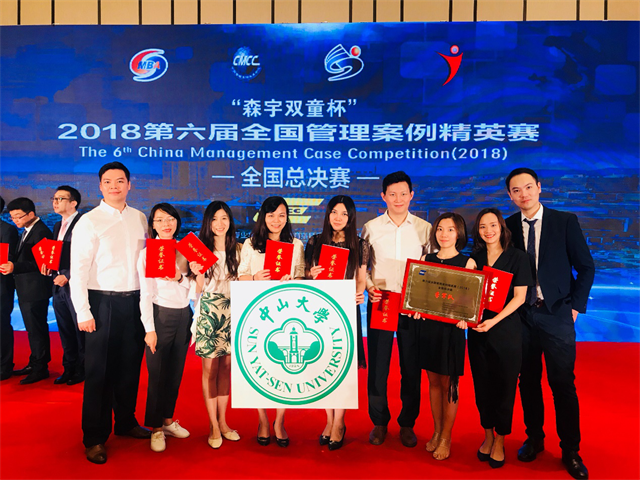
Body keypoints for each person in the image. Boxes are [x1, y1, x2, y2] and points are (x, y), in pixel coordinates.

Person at [505, 168, 594, 480]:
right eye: (517, 190)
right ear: (510, 195)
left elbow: (585, 266)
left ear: (539, 188)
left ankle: (571, 450)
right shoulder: (508, 226)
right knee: (527, 381)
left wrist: (575, 307)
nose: (524, 194)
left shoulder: (564, 221)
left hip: (556, 314)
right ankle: (534, 439)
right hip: (522, 316)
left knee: (562, 383)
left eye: (529, 187)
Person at [70, 161, 150, 464]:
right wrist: (83, 311)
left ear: (129, 184)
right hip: (102, 303)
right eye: (108, 181)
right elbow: (78, 270)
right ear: (100, 186)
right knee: (99, 373)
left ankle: (126, 422)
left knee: (130, 368)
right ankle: (94, 437)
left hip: (135, 302)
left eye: (120, 181)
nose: (114, 186)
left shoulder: (140, 217)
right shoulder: (89, 221)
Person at [362, 171, 431, 447]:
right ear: (383, 196)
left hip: (412, 306)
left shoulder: (425, 229)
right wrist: (368, 287)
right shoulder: (370, 227)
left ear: (412, 195)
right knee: (378, 365)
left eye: (403, 194)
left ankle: (407, 423)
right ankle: (379, 422)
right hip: (382, 302)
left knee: (411, 365)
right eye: (392, 194)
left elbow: (431, 266)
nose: (398, 199)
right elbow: (363, 266)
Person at [466, 207, 532, 469]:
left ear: (502, 227)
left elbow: (520, 297)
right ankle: (488, 435)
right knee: (482, 386)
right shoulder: (475, 258)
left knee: (505, 387)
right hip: (477, 332)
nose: (488, 231)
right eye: (483, 226)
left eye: (493, 225)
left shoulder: (518, 257)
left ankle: (501, 439)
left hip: (506, 331)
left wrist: (494, 321)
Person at [238, 196, 305, 447]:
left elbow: (301, 276)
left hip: (286, 314)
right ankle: (263, 420)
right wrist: (255, 277)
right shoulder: (250, 244)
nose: (276, 220)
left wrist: (292, 280)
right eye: (271, 215)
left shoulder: (296, 244)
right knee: (260, 368)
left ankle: (279, 421)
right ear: (262, 217)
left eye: (281, 215)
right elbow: (240, 276)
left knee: (283, 370)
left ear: (287, 218)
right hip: (257, 314)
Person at [304, 195, 370, 451]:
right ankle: (329, 420)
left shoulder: (361, 245)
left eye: (344, 213)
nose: (338, 217)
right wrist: (311, 274)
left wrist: (360, 292)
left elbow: (361, 278)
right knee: (322, 365)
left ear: (351, 217)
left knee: (342, 367)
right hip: (320, 312)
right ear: (328, 214)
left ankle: (340, 422)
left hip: (345, 310)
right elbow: (306, 274)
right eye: (334, 212)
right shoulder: (315, 242)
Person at [413, 212, 476, 460]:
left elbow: (471, 301)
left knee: (450, 384)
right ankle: (437, 431)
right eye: (440, 229)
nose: (444, 234)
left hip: (452, 331)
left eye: (450, 229)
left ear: (459, 233)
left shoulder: (467, 263)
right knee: (433, 382)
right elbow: (418, 294)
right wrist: (416, 308)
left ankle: (447, 437)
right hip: (429, 328)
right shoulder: (425, 259)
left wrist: (467, 317)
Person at [137, 203, 194, 453]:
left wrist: (180, 277)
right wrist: (149, 329)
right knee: (157, 375)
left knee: (175, 373)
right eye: (159, 220)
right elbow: (145, 293)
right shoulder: (147, 253)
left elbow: (197, 286)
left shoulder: (187, 249)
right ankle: (156, 428)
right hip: (160, 316)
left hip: (184, 316)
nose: (166, 224)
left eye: (170, 219)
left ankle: (168, 421)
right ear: (153, 224)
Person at [192, 201, 242, 449]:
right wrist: (198, 273)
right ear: (208, 223)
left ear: (230, 221)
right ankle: (212, 424)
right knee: (210, 370)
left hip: (235, 310)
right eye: (214, 219)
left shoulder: (240, 249)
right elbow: (196, 291)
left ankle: (223, 422)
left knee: (226, 369)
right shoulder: (199, 250)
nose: (219, 224)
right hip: (210, 311)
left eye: (224, 218)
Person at [2, 197, 53, 384]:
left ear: (31, 214)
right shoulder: (27, 230)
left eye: (19, 217)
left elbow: (42, 263)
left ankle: (40, 368)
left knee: (37, 329)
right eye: (12, 217)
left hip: (35, 289)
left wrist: (14, 267)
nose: (15, 221)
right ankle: (34, 362)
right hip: (27, 288)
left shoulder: (41, 232)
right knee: (33, 329)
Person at [47, 186, 85, 386]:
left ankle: (82, 369)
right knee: (65, 329)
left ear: (73, 203)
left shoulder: (83, 223)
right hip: (58, 285)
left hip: (75, 285)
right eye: (54, 198)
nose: (55, 202)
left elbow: (88, 255)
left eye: (60, 199)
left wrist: (68, 275)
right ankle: (69, 367)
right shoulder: (57, 225)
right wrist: (49, 267)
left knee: (79, 331)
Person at [0, 196, 19, 381]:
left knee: (1, 326)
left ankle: (4, 366)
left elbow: (9, 257)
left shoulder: (7, 230)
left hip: (1, 286)